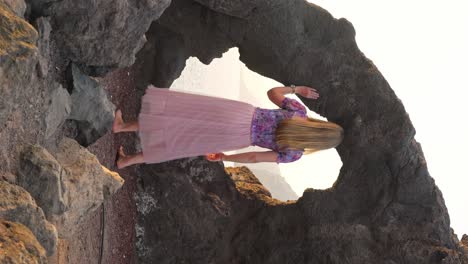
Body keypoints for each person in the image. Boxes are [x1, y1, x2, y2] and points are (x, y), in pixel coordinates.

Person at [112, 85, 343, 169]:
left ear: (323, 125)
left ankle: (121, 127)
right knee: (181, 141)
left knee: (177, 117)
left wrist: (296, 88)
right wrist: (224, 157)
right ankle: (127, 161)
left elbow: (272, 93)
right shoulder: (294, 154)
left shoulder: (298, 113)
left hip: (239, 113)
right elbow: (254, 158)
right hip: (236, 136)